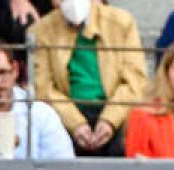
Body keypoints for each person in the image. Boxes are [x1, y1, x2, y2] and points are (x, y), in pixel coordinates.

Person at [30, 0, 148, 157]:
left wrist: (109, 120)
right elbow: (43, 87)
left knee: (125, 142)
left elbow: (135, 80)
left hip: (116, 111)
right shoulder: (41, 30)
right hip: (65, 115)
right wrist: (75, 123)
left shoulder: (121, 22)